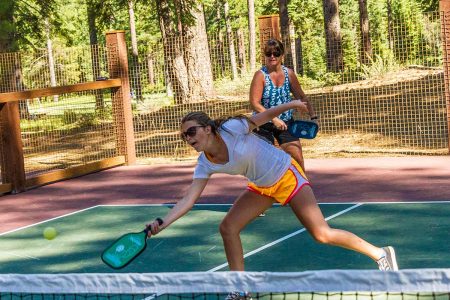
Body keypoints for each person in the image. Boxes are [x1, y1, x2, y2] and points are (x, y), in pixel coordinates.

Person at [146, 101, 398, 299]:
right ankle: (240, 289)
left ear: (208, 128)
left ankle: (381, 253)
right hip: (262, 186)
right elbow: (189, 199)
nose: (188, 138)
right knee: (228, 227)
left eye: (191, 131)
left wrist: (292, 104)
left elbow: (263, 117)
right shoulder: (204, 164)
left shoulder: (232, 129)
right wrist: (162, 222)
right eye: (184, 136)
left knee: (322, 234)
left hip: (286, 175)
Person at [249, 38, 317, 172]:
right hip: (263, 124)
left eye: (276, 53)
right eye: (268, 54)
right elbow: (254, 103)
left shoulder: (289, 74)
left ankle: (301, 187)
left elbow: (301, 96)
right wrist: (274, 119)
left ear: (282, 55)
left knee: (297, 157)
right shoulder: (260, 75)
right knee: (263, 163)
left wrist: (314, 117)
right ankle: (263, 191)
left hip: (285, 123)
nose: (272, 56)